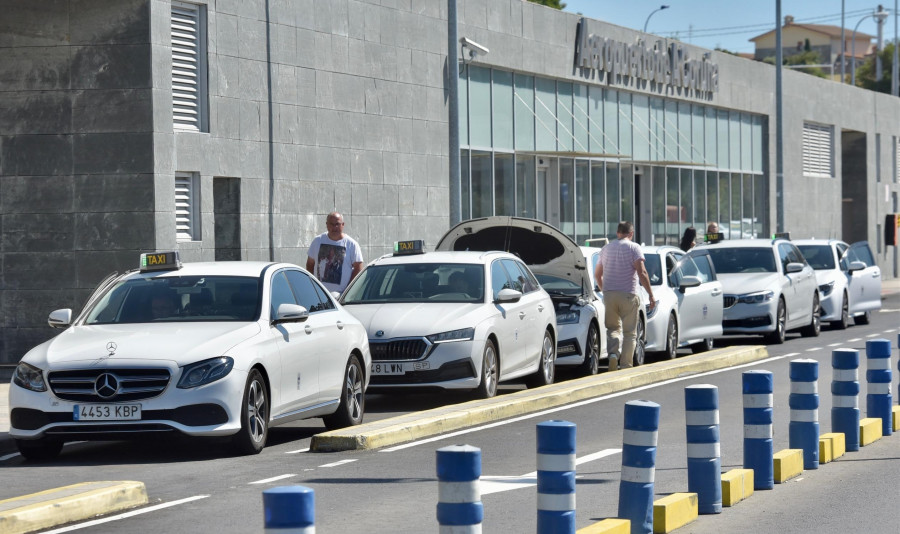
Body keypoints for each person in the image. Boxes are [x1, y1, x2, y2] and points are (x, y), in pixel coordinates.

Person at [594, 222, 656, 371]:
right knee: (629, 333)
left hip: (609, 294)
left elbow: (597, 274)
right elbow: (642, 272)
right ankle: (626, 365)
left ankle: (613, 355)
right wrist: (651, 295)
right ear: (631, 233)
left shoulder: (605, 249)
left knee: (613, 329)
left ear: (617, 233)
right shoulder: (634, 248)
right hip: (628, 294)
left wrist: (605, 291)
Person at [306, 212, 364, 293]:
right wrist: (313, 285)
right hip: (319, 294)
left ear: (343, 225)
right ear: (327, 224)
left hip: (341, 296)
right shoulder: (317, 241)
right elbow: (310, 263)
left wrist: (348, 291)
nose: (334, 227)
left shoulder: (352, 244)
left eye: (337, 224)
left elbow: (358, 268)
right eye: (331, 224)